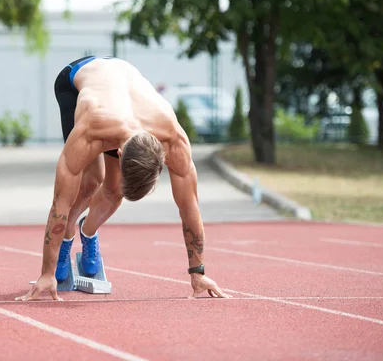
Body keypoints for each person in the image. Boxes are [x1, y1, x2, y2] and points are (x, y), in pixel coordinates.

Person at [17, 55, 232, 301]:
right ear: (119, 154)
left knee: (114, 190)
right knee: (89, 183)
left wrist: (198, 271)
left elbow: (189, 205)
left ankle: (87, 233)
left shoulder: (173, 138)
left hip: (123, 88)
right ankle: (67, 241)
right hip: (77, 79)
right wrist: (47, 272)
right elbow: (60, 203)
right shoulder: (91, 130)